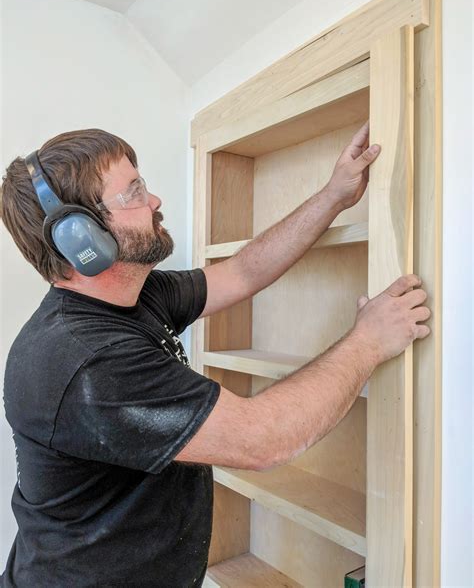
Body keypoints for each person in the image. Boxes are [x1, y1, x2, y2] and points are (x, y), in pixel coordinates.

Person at [0, 123, 430, 587]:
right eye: (134, 192)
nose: (155, 201)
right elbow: (264, 439)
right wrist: (369, 340)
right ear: (79, 238)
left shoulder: (134, 296)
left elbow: (243, 272)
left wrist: (334, 196)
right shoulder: (87, 361)